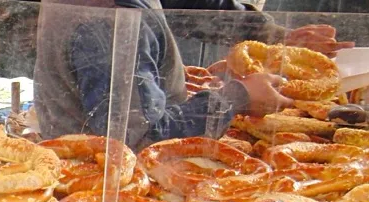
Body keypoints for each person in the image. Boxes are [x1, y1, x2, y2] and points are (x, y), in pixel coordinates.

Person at [33, 0, 352, 148]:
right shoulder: (110, 23)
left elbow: (104, 90)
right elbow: (138, 140)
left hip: (74, 160)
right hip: (105, 189)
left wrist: (156, 80)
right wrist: (238, 97)